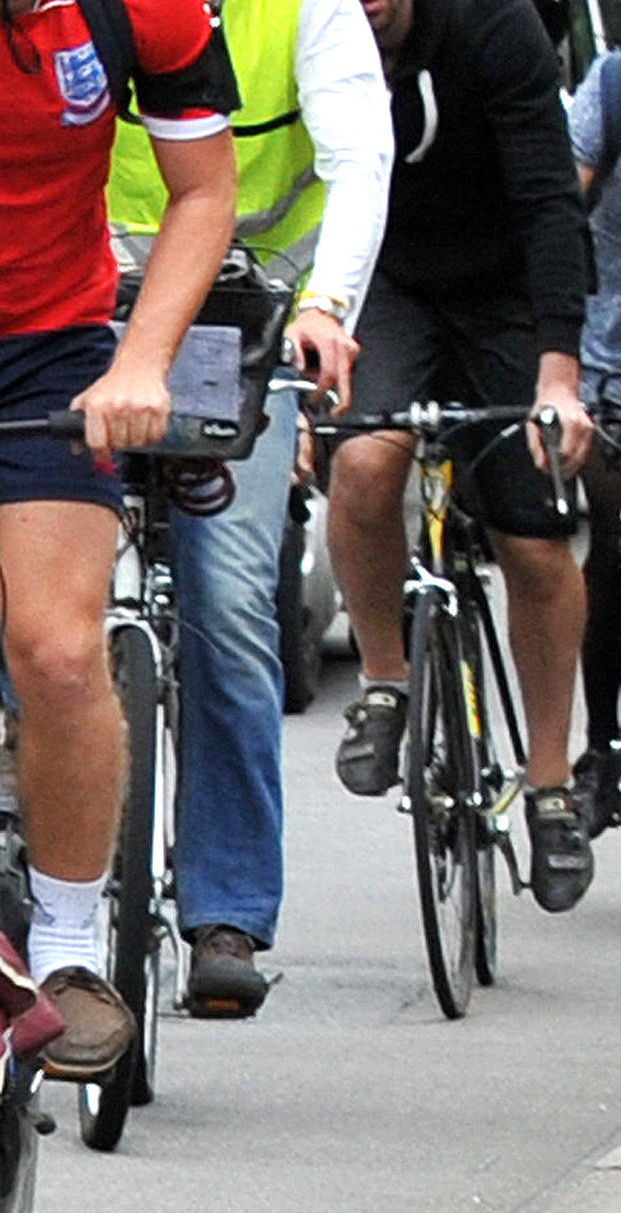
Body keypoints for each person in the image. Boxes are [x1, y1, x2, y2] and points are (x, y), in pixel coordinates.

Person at [0, 0, 240, 1070]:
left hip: (50, 346)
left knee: (56, 651)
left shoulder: (140, 11)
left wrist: (139, 361)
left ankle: (62, 939)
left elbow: (202, 193)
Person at [108, 0, 390, 1018]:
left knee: (228, 606)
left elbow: (359, 158)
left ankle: (223, 910)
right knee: (26, 597)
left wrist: (324, 307)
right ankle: (13, 866)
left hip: (241, 326)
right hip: (78, 313)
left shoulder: (301, 7)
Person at [325, 0, 598, 912]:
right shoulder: (313, 32)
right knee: (363, 464)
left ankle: (552, 782)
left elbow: (553, 204)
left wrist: (559, 374)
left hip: (503, 288)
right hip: (388, 279)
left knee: (530, 539)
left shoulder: (493, 26)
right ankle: (385, 682)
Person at [566, 42, 621, 833]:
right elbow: (549, 209)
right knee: (616, 545)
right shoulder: (612, 88)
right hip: (611, 373)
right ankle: (603, 747)